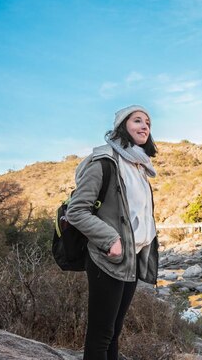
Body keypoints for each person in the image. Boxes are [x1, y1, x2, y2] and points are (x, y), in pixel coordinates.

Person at [67, 105, 159, 360]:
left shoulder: (140, 167)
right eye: (137, 120)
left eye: (148, 123)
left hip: (131, 259)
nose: (144, 126)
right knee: (101, 334)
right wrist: (110, 239)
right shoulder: (105, 162)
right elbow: (76, 211)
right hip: (107, 258)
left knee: (114, 332)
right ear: (122, 126)